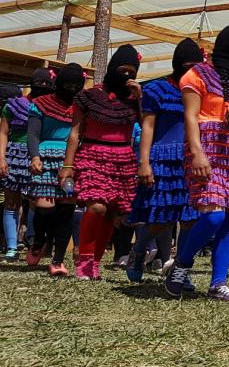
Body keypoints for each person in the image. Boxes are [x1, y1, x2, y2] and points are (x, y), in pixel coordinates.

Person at [164, 20, 229, 302]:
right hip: (207, 149)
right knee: (213, 215)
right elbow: (190, 116)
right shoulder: (197, 76)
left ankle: (218, 282)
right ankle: (181, 265)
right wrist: (196, 152)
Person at [126, 38, 205, 282]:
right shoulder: (156, 90)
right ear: (176, 64)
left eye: (195, 65)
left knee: (190, 219)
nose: (190, 69)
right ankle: (138, 252)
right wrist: (144, 162)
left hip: (191, 161)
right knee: (162, 219)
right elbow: (147, 126)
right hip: (162, 159)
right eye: (186, 64)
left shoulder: (202, 90)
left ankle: (181, 271)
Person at [61, 45, 142, 280]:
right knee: (97, 207)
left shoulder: (136, 100)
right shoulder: (88, 97)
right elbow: (75, 132)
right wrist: (68, 166)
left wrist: (140, 99)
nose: (126, 76)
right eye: (122, 69)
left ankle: (96, 262)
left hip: (123, 159)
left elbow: (148, 126)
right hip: (93, 154)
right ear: (111, 68)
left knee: (112, 214)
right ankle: (84, 260)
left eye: (131, 71)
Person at [24, 64, 86, 272]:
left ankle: (58, 260)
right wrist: (34, 156)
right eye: (67, 84)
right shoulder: (41, 104)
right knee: (44, 208)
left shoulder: (81, 106)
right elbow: (32, 133)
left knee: (67, 208)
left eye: (76, 85)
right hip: (45, 160)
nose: (72, 89)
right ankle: (39, 242)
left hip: (71, 160)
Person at [0, 69, 53, 260]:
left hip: (39, 155)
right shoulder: (13, 106)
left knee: (38, 202)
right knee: (12, 201)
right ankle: (12, 248)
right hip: (14, 154)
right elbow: (3, 133)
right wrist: (1, 158)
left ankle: (34, 243)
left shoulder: (51, 107)